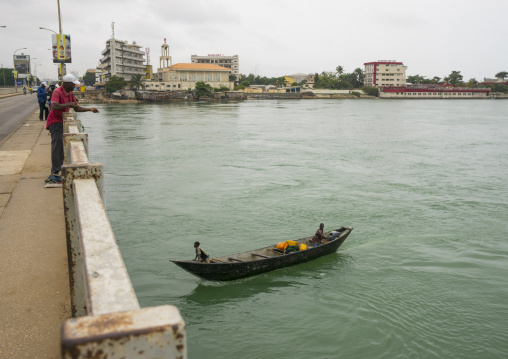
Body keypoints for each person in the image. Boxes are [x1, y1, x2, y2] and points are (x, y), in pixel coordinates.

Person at [45, 74, 99, 185]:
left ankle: (56, 173)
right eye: (73, 84)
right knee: (57, 147)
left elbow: (76, 107)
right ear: (66, 83)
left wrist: (90, 109)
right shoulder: (57, 92)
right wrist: (69, 104)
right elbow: (54, 106)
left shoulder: (70, 93)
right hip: (55, 122)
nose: (74, 86)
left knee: (60, 147)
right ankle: (54, 175)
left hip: (61, 122)